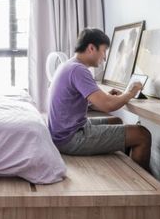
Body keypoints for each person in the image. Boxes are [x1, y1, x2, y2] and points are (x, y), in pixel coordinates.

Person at [47, 28, 152, 169]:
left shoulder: (68, 66)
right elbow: (107, 106)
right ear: (91, 48)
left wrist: (112, 97)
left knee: (117, 121)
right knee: (142, 135)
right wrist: (130, 93)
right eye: (104, 51)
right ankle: (141, 187)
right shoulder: (79, 70)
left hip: (62, 134)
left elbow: (92, 103)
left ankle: (124, 168)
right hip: (70, 138)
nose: (105, 57)